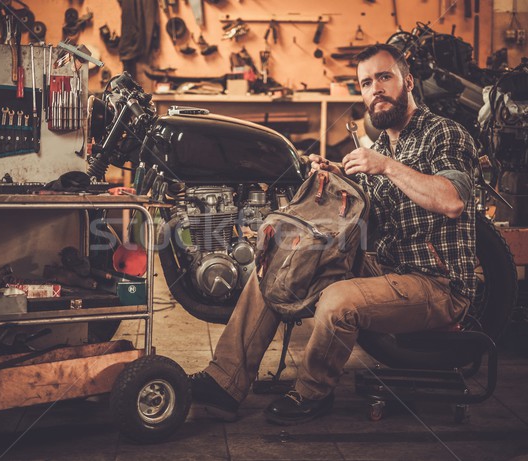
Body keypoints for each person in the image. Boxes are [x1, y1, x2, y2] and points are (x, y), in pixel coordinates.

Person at [189, 43, 478, 426]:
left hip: (438, 284)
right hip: (387, 266)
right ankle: (224, 383)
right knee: (278, 268)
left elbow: (452, 200)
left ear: (408, 81)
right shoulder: (387, 144)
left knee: (338, 300)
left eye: (384, 77)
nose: (374, 89)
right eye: (365, 83)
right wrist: (333, 175)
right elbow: (367, 211)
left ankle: (312, 392)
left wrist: (386, 166)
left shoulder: (443, 135)